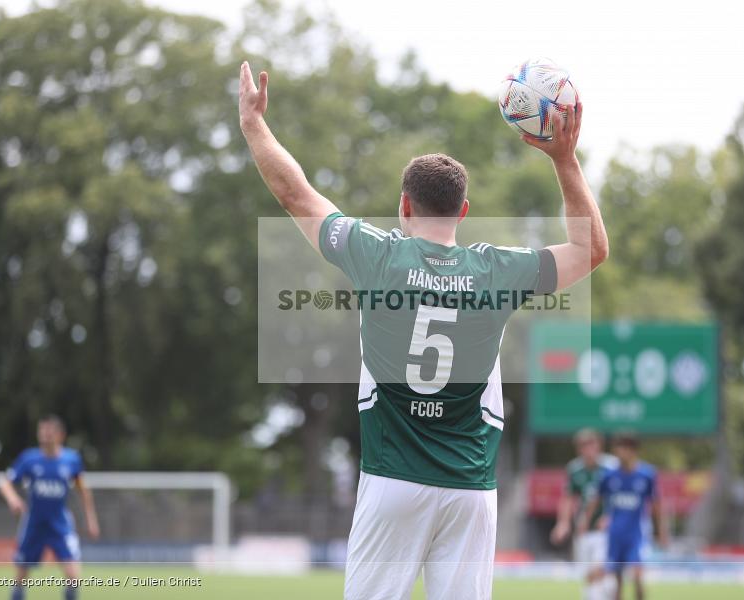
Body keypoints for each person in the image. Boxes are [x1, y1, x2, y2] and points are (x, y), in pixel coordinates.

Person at [238, 61, 608, 600]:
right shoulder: (498, 271)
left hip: (392, 481)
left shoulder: (375, 255)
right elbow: (590, 250)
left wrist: (253, 124)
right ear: (464, 211)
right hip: (470, 491)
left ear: (404, 206)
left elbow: (295, 194)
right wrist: (565, 158)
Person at [0, 415, 100, 600]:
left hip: (59, 523)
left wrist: (91, 520)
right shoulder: (29, 459)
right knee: (21, 576)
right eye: (42, 431)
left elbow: (84, 492)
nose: (45, 435)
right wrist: (13, 499)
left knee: (73, 575)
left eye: (49, 431)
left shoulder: (71, 460)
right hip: (34, 523)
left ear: (60, 435)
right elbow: (5, 483)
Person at [581, 432, 666, 600]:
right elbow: (596, 499)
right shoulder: (609, 476)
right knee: (617, 580)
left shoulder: (646, 475)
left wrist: (661, 531)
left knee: (637, 576)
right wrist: (585, 520)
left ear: (633, 450)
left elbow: (656, 505)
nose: (621, 453)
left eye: (625, 448)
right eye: (618, 448)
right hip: (615, 535)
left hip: (636, 534)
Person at [550, 429, 617, 600]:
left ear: (599, 446)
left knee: (600, 570)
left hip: (606, 531)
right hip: (584, 529)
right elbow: (568, 498)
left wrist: (611, 517)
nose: (588, 450)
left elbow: (619, 495)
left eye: (591, 445)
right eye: (583, 446)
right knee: (588, 575)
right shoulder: (575, 469)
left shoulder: (611, 467)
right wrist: (563, 523)